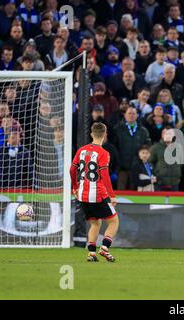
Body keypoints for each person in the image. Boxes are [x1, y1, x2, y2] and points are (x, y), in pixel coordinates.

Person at [69, 123, 119, 263]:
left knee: (95, 224)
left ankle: (91, 253)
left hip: (83, 195)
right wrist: (112, 195)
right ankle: (104, 247)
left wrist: (75, 187)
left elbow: (72, 170)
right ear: (105, 134)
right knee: (114, 222)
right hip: (98, 195)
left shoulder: (81, 150)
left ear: (91, 134)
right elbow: (104, 175)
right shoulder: (104, 153)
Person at [113, 106, 152, 190]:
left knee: (135, 191)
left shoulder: (143, 131)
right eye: (129, 113)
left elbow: (147, 146)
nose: (131, 115)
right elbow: (114, 148)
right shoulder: (117, 129)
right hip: (121, 167)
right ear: (124, 115)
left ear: (137, 115)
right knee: (121, 191)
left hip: (137, 167)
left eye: (133, 113)